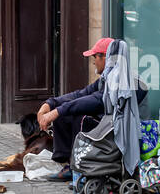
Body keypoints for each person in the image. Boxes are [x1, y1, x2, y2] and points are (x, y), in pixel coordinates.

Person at [37, 37, 148, 178]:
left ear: (105, 58)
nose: (93, 61)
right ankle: (67, 161)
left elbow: (97, 100)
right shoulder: (107, 77)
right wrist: (50, 104)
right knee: (66, 114)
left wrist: (57, 111)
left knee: (81, 118)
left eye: (95, 57)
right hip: (110, 125)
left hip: (127, 130)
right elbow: (81, 94)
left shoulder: (126, 80)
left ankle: (77, 165)